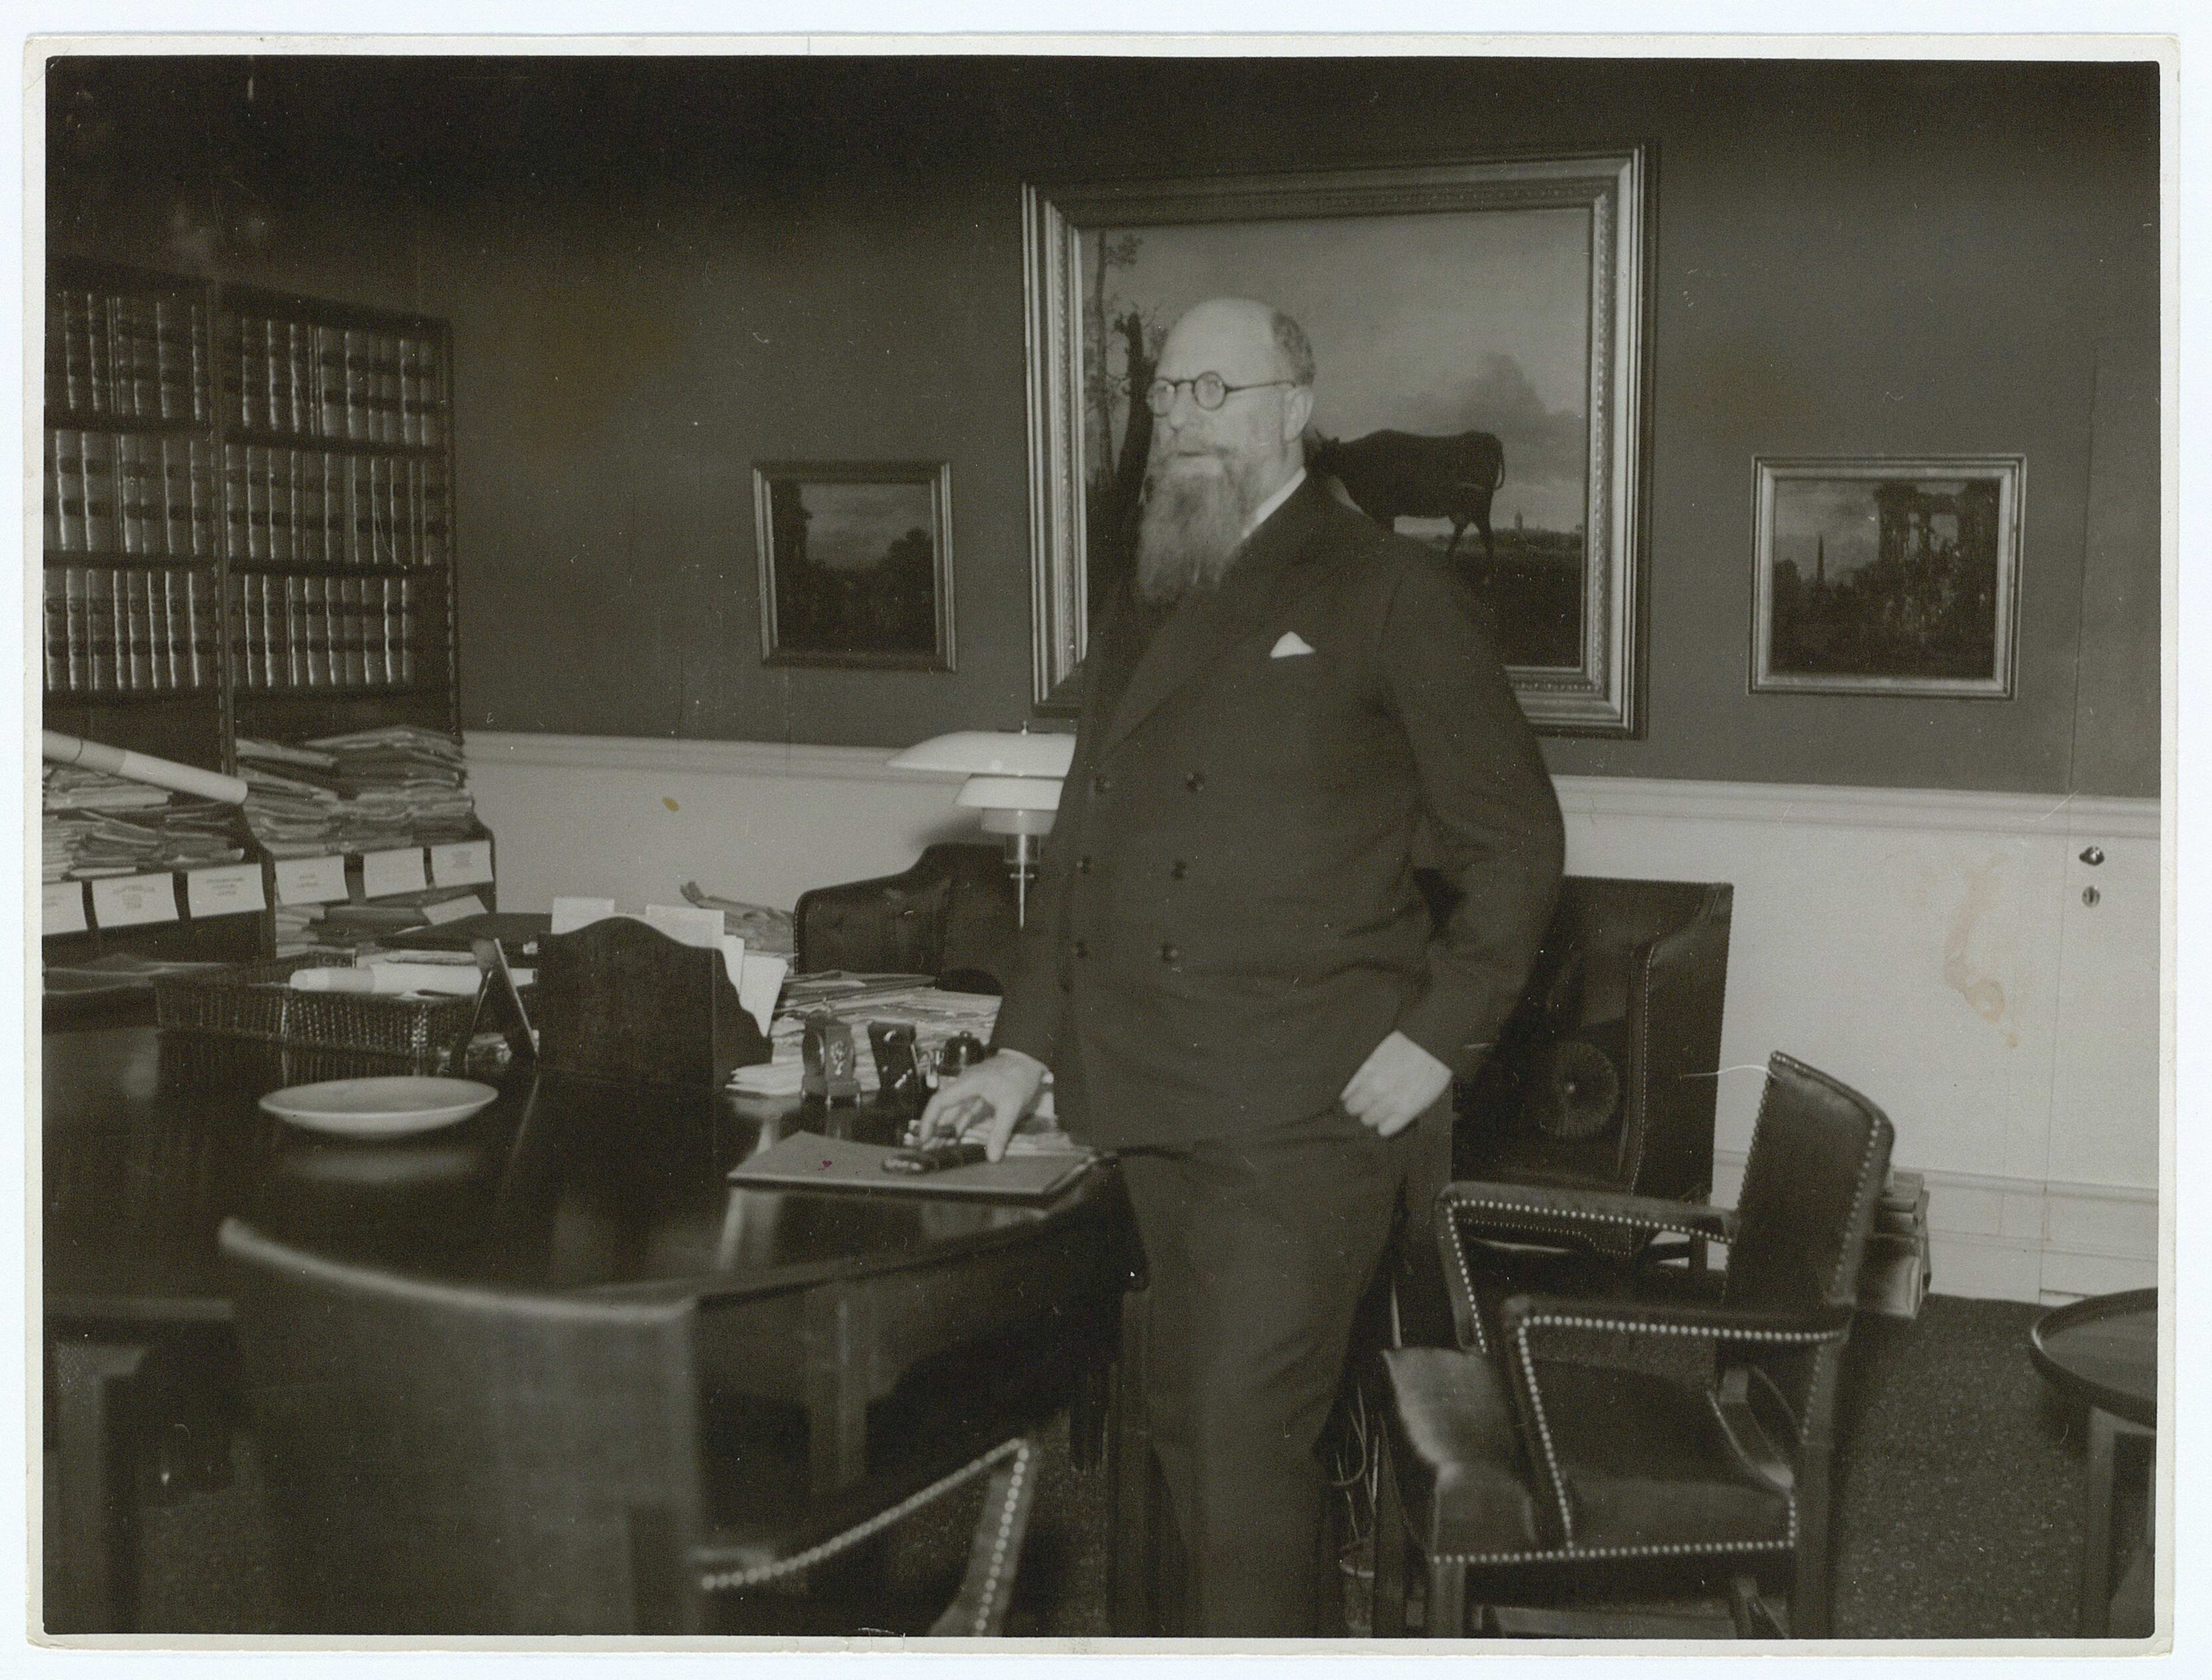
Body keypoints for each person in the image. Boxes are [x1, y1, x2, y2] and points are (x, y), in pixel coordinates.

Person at [921, 296, 1565, 1636]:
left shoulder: (1390, 588)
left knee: (1241, 1444)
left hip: (1301, 1112)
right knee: (1175, 1435)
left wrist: (1436, 1036)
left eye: (1216, 393)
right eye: (1165, 397)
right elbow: (1087, 844)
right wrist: (1021, 1050)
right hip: (1146, 1093)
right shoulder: (1157, 584)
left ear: (1292, 408)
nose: (1182, 423)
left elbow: (1515, 845)